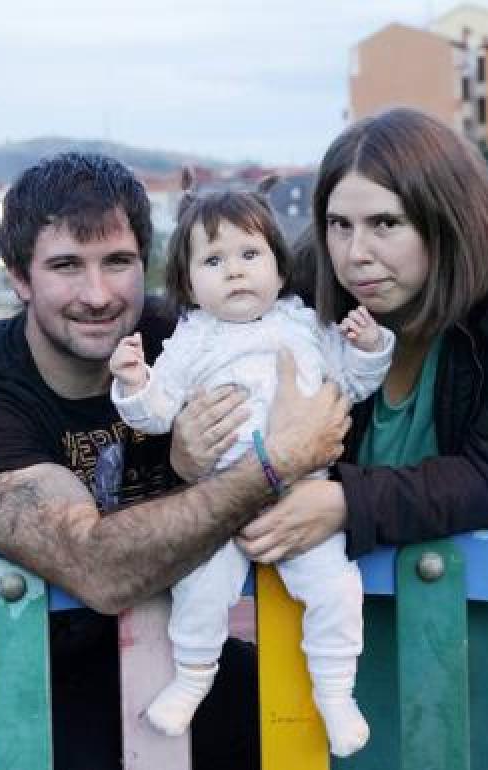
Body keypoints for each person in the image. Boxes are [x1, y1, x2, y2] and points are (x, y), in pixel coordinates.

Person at [0, 152, 351, 770]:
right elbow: (92, 566)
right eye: (66, 265)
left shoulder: (188, 339)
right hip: (4, 669)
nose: (96, 295)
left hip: (159, 645)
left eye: (117, 263)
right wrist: (269, 465)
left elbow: (319, 383)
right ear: (19, 277)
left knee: (299, 722)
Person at [230, 107, 488, 768]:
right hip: (333, 583)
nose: (356, 253)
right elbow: (208, 332)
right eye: (340, 224)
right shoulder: (312, 286)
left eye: (385, 224)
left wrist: (343, 501)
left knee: (451, 741)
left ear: (443, 220)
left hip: (468, 572)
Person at [108, 182, 393, 757]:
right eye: (213, 260)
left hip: (303, 498)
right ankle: (192, 676)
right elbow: (159, 412)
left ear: (279, 267)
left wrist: (368, 347)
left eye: (249, 255)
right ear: (188, 283)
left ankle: (335, 692)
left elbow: (353, 385)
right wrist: (134, 383)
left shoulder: (305, 326)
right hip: (223, 497)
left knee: (336, 589)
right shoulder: (192, 341)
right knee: (200, 586)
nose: (234, 272)